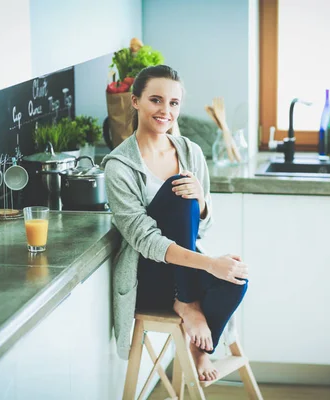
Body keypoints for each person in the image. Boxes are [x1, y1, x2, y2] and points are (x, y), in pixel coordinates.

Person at [101, 65, 249, 382]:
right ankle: (188, 304)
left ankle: (199, 346)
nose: (165, 111)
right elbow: (146, 241)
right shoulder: (119, 166)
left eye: (173, 103)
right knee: (177, 189)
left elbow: (201, 228)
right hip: (149, 278)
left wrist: (203, 203)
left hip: (185, 272)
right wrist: (209, 263)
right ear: (135, 101)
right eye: (156, 100)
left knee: (236, 278)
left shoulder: (190, 153)